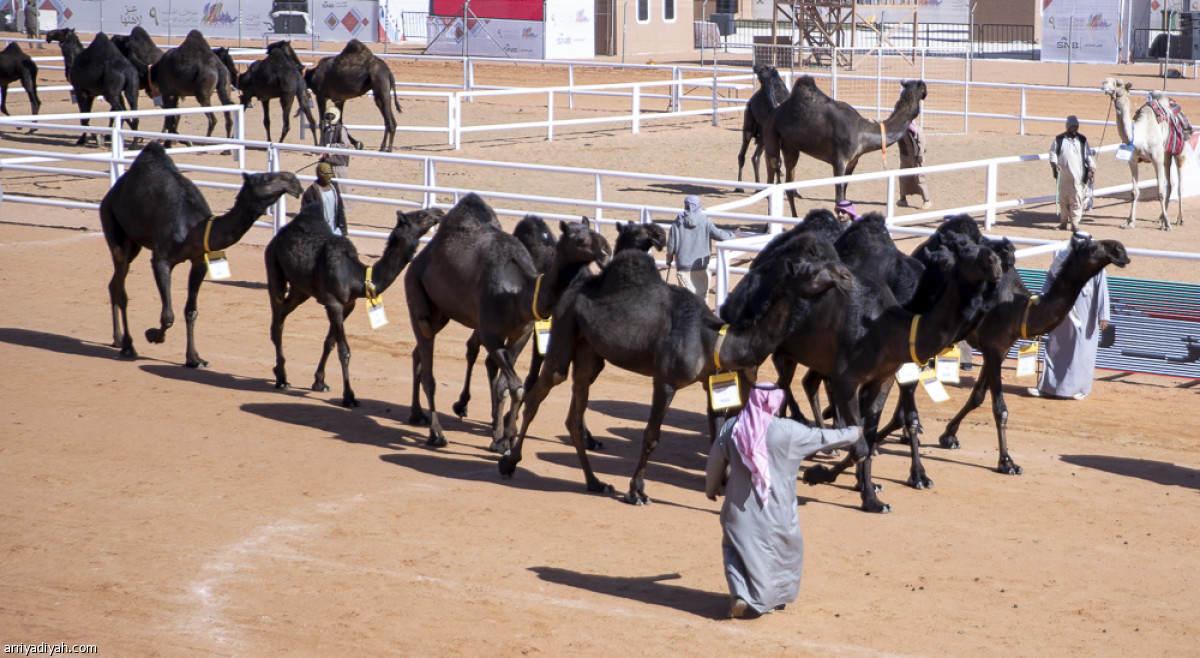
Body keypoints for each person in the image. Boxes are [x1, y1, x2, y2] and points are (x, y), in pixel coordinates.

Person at [705, 383, 863, 619]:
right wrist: (855, 432)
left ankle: (741, 594)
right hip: (779, 514)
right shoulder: (790, 431)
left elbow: (715, 461)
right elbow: (824, 437)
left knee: (734, 551)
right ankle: (771, 599)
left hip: (739, 512)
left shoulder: (731, 427)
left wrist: (711, 489)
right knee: (782, 555)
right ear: (777, 403)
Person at [1028, 233, 1111, 401]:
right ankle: (1047, 388)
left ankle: (1081, 388)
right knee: (1055, 348)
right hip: (1061, 310)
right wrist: (1044, 299)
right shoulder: (1062, 258)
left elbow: (1102, 289)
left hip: (1086, 312)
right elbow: (1050, 279)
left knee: (1082, 351)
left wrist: (1104, 315)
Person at [666, 195, 735, 304]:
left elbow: (671, 246)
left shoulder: (677, 222)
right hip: (702, 267)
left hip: (684, 268)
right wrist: (732, 235)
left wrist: (668, 260)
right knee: (703, 302)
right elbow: (720, 235)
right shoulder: (705, 221)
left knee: (688, 302)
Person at [1048, 115, 1095, 232]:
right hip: (1063, 177)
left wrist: (1092, 167)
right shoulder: (1059, 140)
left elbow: (1088, 155)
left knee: (1076, 200)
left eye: (1076, 126)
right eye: (1073, 126)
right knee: (1063, 200)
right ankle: (1063, 223)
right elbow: (1052, 153)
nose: (1075, 128)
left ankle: (1075, 224)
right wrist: (1054, 164)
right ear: (1068, 126)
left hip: (1078, 177)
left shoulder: (1082, 140)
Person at [300, 161, 348, 236]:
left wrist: (343, 230)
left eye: (330, 174)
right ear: (319, 174)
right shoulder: (311, 193)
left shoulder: (334, 188)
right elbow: (306, 217)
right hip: (320, 235)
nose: (328, 176)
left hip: (336, 233)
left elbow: (340, 209)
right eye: (325, 174)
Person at [319, 106, 362, 184]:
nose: (329, 118)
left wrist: (331, 147)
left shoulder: (341, 129)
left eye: (331, 116)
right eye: (327, 116)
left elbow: (344, 145)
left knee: (342, 187)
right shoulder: (326, 130)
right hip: (328, 163)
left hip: (339, 164)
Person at [897, 122, 931, 209]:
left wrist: (920, 155)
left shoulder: (917, 129)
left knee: (919, 178)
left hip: (916, 156)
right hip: (905, 156)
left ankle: (926, 201)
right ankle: (903, 199)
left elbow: (922, 143)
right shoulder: (901, 128)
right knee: (903, 177)